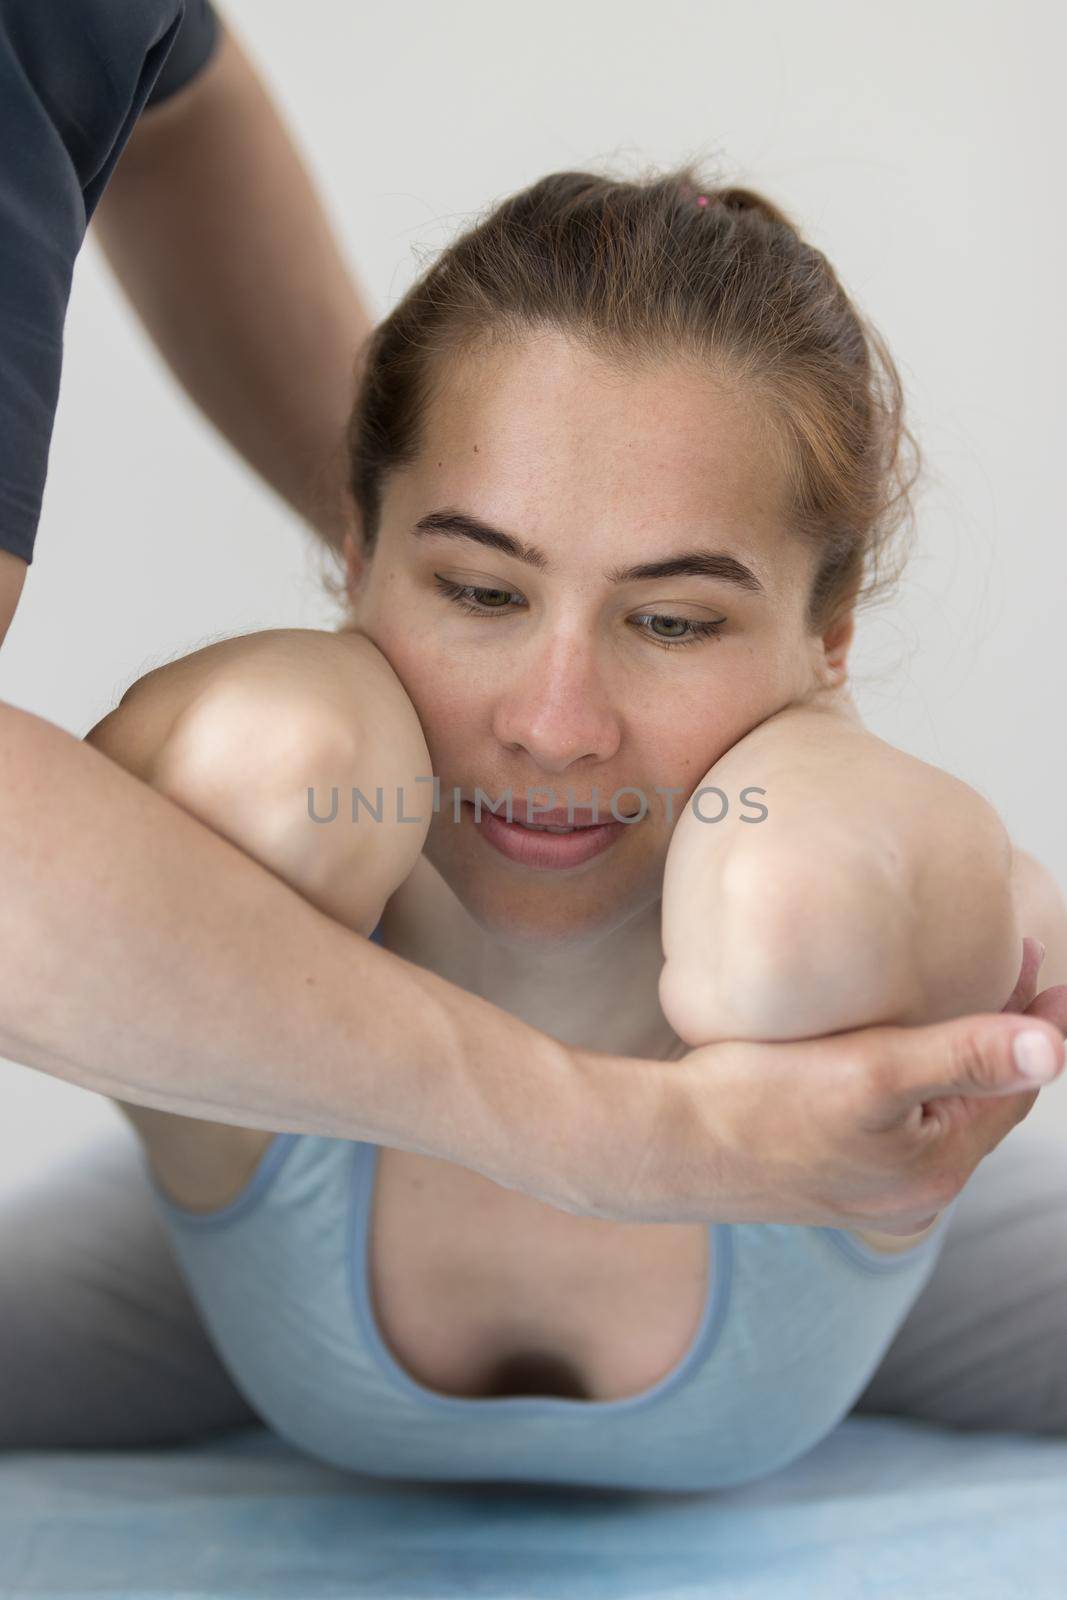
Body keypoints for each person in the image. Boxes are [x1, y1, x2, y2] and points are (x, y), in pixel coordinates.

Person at [0, 11, 1064, 1470]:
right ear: (354, 544)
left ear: (833, 637)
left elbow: (159, 86)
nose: (555, 725)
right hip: (225, 1259)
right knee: (276, 766)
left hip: (884, 1254)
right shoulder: (281, 802)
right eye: (482, 590)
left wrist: (989, 899)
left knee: (803, 892)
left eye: (675, 621)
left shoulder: (814, 889)